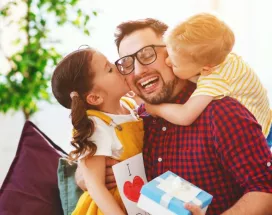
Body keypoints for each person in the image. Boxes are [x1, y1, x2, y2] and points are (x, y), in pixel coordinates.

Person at [111, 18, 272, 214]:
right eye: (127, 63)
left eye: (147, 54)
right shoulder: (137, 120)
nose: (138, 70)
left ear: (173, 51)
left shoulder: (221, 111)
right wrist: (86, 177)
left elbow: (266, 190)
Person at [143, 13, 272, 147]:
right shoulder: (222, 57)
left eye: (175, 64)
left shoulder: (215, 80)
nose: (167, 62)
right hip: (267, 114)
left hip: (260, 133)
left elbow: (185, 115)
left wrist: (156, 109)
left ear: (205, 69)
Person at [51, 47, 144, 215]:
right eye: (109, 69)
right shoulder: (96, 126)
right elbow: (95, 186)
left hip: (138, 199)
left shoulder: (130, 106)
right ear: (95, 98)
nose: (117, 66)